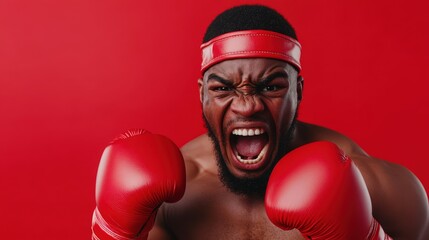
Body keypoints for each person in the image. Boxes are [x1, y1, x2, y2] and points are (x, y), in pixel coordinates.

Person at [91, 5, 429, 240]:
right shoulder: (172, 201)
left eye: (271, 86)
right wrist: (111, 233)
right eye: (223, 88)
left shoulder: (371, 186)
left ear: (297, 90)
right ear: (202, 96)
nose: (247, 105)